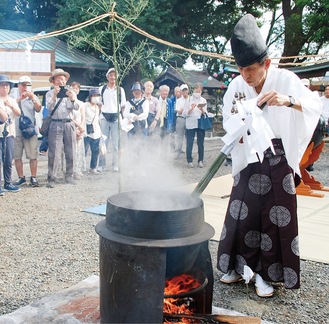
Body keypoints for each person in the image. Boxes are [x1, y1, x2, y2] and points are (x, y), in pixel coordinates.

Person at [217, 14, 322, 297]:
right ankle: (238, 267)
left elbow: (315, 106)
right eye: (241, 69)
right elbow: (229, 117)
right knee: (241, 212)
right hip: (248, 154)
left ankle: (265, 275)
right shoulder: (237, 87)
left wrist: (287, 101)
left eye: (251, 69)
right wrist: (238, 126)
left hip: (278, 157)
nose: (246, 76)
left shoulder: (285, 79)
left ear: (267, 63)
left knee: (275, 217)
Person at [45, 68, 80, 188]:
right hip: (55, 123)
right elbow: (49, 107)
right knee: (54, 152)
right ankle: (52, 178)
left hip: (69, 123)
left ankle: (69, 175)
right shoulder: (49, 93)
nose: (61, 81)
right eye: (59, 79)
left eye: (63, 79)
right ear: (53, 81)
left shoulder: (70, 92)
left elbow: (76, 107)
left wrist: (72, 98)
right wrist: (55, 95)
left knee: (71, 150)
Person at [13, 76, 42, 187]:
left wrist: (33, 97)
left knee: (33, 155)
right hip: (16, 131)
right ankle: (21, 177)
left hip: (30, 130)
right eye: (23, 85)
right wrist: (20, 98)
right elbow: (7, 105)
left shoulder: (33, 97)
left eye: (28, 85)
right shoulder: (14, 97)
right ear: (19, 85)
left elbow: (38, 109)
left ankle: (33, 177)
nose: (25, 87)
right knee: (17, 155)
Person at [98, 68, 126, 172]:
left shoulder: (120, 90)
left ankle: (116, 165)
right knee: (103, 142)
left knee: (116, 143)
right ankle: (101, 165)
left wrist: (122, 119)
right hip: (104, 117)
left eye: (114, 75)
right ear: (107, 77)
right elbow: (99, 104)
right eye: (111, 75)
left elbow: (123, 106)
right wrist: (98, 117)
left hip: (116, 118)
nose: (112, 77)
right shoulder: (102, 89)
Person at [0, 74, 21, 195]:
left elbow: (18, 113)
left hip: (10, 134)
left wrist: (11, 105)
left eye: (7, 86)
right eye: (2, 86)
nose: (5, 88)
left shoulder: (12, 100)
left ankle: (8, 183)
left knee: (8, 159)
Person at [183, 83, 207, 168]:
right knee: (189, 142)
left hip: (200, 123)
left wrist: (202, 110)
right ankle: (189, 160)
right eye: (196, 91)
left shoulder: (203, 100)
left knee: (201, 143)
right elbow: (184, 114)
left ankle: (200, 160)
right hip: (190, 123)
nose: (197, 92)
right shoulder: (188, 100)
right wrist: (191, 109)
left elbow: (205, 113)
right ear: (193, 91)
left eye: (199, 91)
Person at [70, 81, 86, 179]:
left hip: (80, 128)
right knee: (71, 150)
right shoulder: (68, 102)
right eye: (73, 87)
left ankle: (78, 171)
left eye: (77, 88)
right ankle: (70, 171)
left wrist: (81, 128)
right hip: (71, 127)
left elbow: (83, 116)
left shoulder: (81, 103)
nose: (75, 90)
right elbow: (70, 117)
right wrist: (77, 127)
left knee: (79, 150)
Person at [84, 88, 102, 174]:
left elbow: (98, 120)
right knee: (84, 150)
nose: (96, 97)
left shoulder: (97, 107)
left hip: (96, 131)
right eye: (94, 96)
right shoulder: (85, 105)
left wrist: (100, 131)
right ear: (90, 97)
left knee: (95, 151)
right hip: (86, 131)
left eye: (97, 96)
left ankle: (93, 167)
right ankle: (80, 168)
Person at [154, 85, 175, 149]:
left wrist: (170, 124)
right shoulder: (155, 100)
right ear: (160, 92)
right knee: (156, 139)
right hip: (157, 121)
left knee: (165, 140)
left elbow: (171, 114)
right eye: (163, 91)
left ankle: (164, 156)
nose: (165, 93)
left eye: (166, 91)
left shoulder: (169, 101)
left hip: (166, 122)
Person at [174, 84, 189, 158]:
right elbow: (178, 111)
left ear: (188, 90)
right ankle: (178, 151)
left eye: (186, 90)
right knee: (179, 136)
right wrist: (182, 110)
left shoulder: (191, 99)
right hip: (180, 118)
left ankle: (188, 152)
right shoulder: (179, 100)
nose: (185, 91)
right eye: (183, 90)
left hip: (189, 118)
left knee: (188, 136)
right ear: (181, 92)